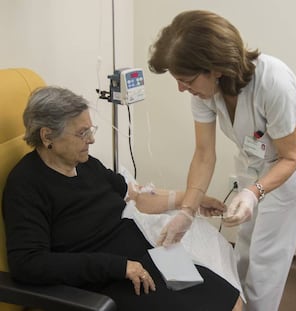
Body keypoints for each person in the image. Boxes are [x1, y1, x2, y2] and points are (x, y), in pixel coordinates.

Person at [2, 86, 243, 311]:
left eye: (90, 130)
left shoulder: (87, 165)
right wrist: (117, 266)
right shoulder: (26, 185)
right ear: (47, 136)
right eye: (82, 133)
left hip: (149, 256)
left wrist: (191, 200)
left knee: (232, 298)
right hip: (107, 279)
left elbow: (137, 196)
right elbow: (28, 264)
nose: (91, 140)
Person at [148, 10, 296, 311]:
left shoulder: (273, 82)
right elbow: (203, 154)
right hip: (255, 164)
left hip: (287, 175)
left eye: (186, 80)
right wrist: (186, 211)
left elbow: (291, 157)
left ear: (215, 68)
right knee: (243, 249)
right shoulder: (204, 92)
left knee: (266, 261)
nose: (181, 88)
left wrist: (254, 193)